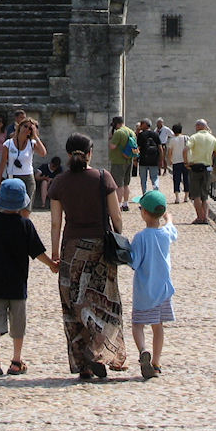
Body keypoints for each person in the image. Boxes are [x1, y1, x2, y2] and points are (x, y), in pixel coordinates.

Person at [49, 132, 127, 380]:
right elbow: (116, 217)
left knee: (74, 302)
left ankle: (82, 363)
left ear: (67, 153)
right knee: (105, 301)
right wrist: (119, 237)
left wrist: (54, 253)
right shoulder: (103, 178)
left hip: (71, 249)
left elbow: (55, 223)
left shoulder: (59, 182)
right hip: (100, 249)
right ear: (90, 153)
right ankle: (98, 349)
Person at [0, 178, 58, 379]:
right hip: (17, 284)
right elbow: (37, 252)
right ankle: (16, 361)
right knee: (18, 323)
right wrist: (52, 264)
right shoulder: (25, 224)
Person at [129, 189, 177, 380]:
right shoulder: (165, 234)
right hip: (163, 290)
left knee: (137, 324)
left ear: (144, 213)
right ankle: (156, 363)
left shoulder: (141, 237)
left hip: (144, 290)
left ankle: (143, 350)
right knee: (158, 327)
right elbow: (171, 228)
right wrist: (168, 218)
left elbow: (134, 262)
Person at [184, 118, 216, 225]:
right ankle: (205, 218)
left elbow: (185, 150)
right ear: (205, 127)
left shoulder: (194, 137)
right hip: (207, 168)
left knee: (196, 195)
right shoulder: (212, 138)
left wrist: (186, 162)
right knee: (205, 195)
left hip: (195, 168)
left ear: (197, 127)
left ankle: (199, 218)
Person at [0, 116, 47, 201]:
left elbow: (43, 153)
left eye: (30, 129)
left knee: (27, 205)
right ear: (20, 126)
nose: (27, 129)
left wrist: (35, 136)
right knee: (14, 204)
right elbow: (2, 163)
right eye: (25, 126)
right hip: (13, 176)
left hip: (28, 177)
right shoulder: (8, 144)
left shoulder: (31, 143)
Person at [108, 115, 136, 211]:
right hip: (129, 160)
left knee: (118, 184)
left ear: (117, 124)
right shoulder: (131, 132)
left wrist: (110, 138)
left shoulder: (118, 133)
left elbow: (112, 146)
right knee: (126, 184)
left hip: (118, 161)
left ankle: (118, 205)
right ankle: (125, 203)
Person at [160, 120, 190, 203]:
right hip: (186, 161)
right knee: (186, 178)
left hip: (176, 162)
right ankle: (186, 196)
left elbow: (170, 152)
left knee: (176, 179)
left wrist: (170, 160)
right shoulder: (187, 138)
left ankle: (177, 197)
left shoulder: (172, 140)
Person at [135, 118, 162, 196]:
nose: (140, 126)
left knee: (143, 179)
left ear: (145, 125)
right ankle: (156, 192)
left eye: (141, 124)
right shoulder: (155, 134)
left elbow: (137, 148)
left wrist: (135, 159)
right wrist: (161, 160)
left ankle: (145, 194)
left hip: (143, 160)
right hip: (154, 160)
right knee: (154, 178)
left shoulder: (141, 135)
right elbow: (160, 148)